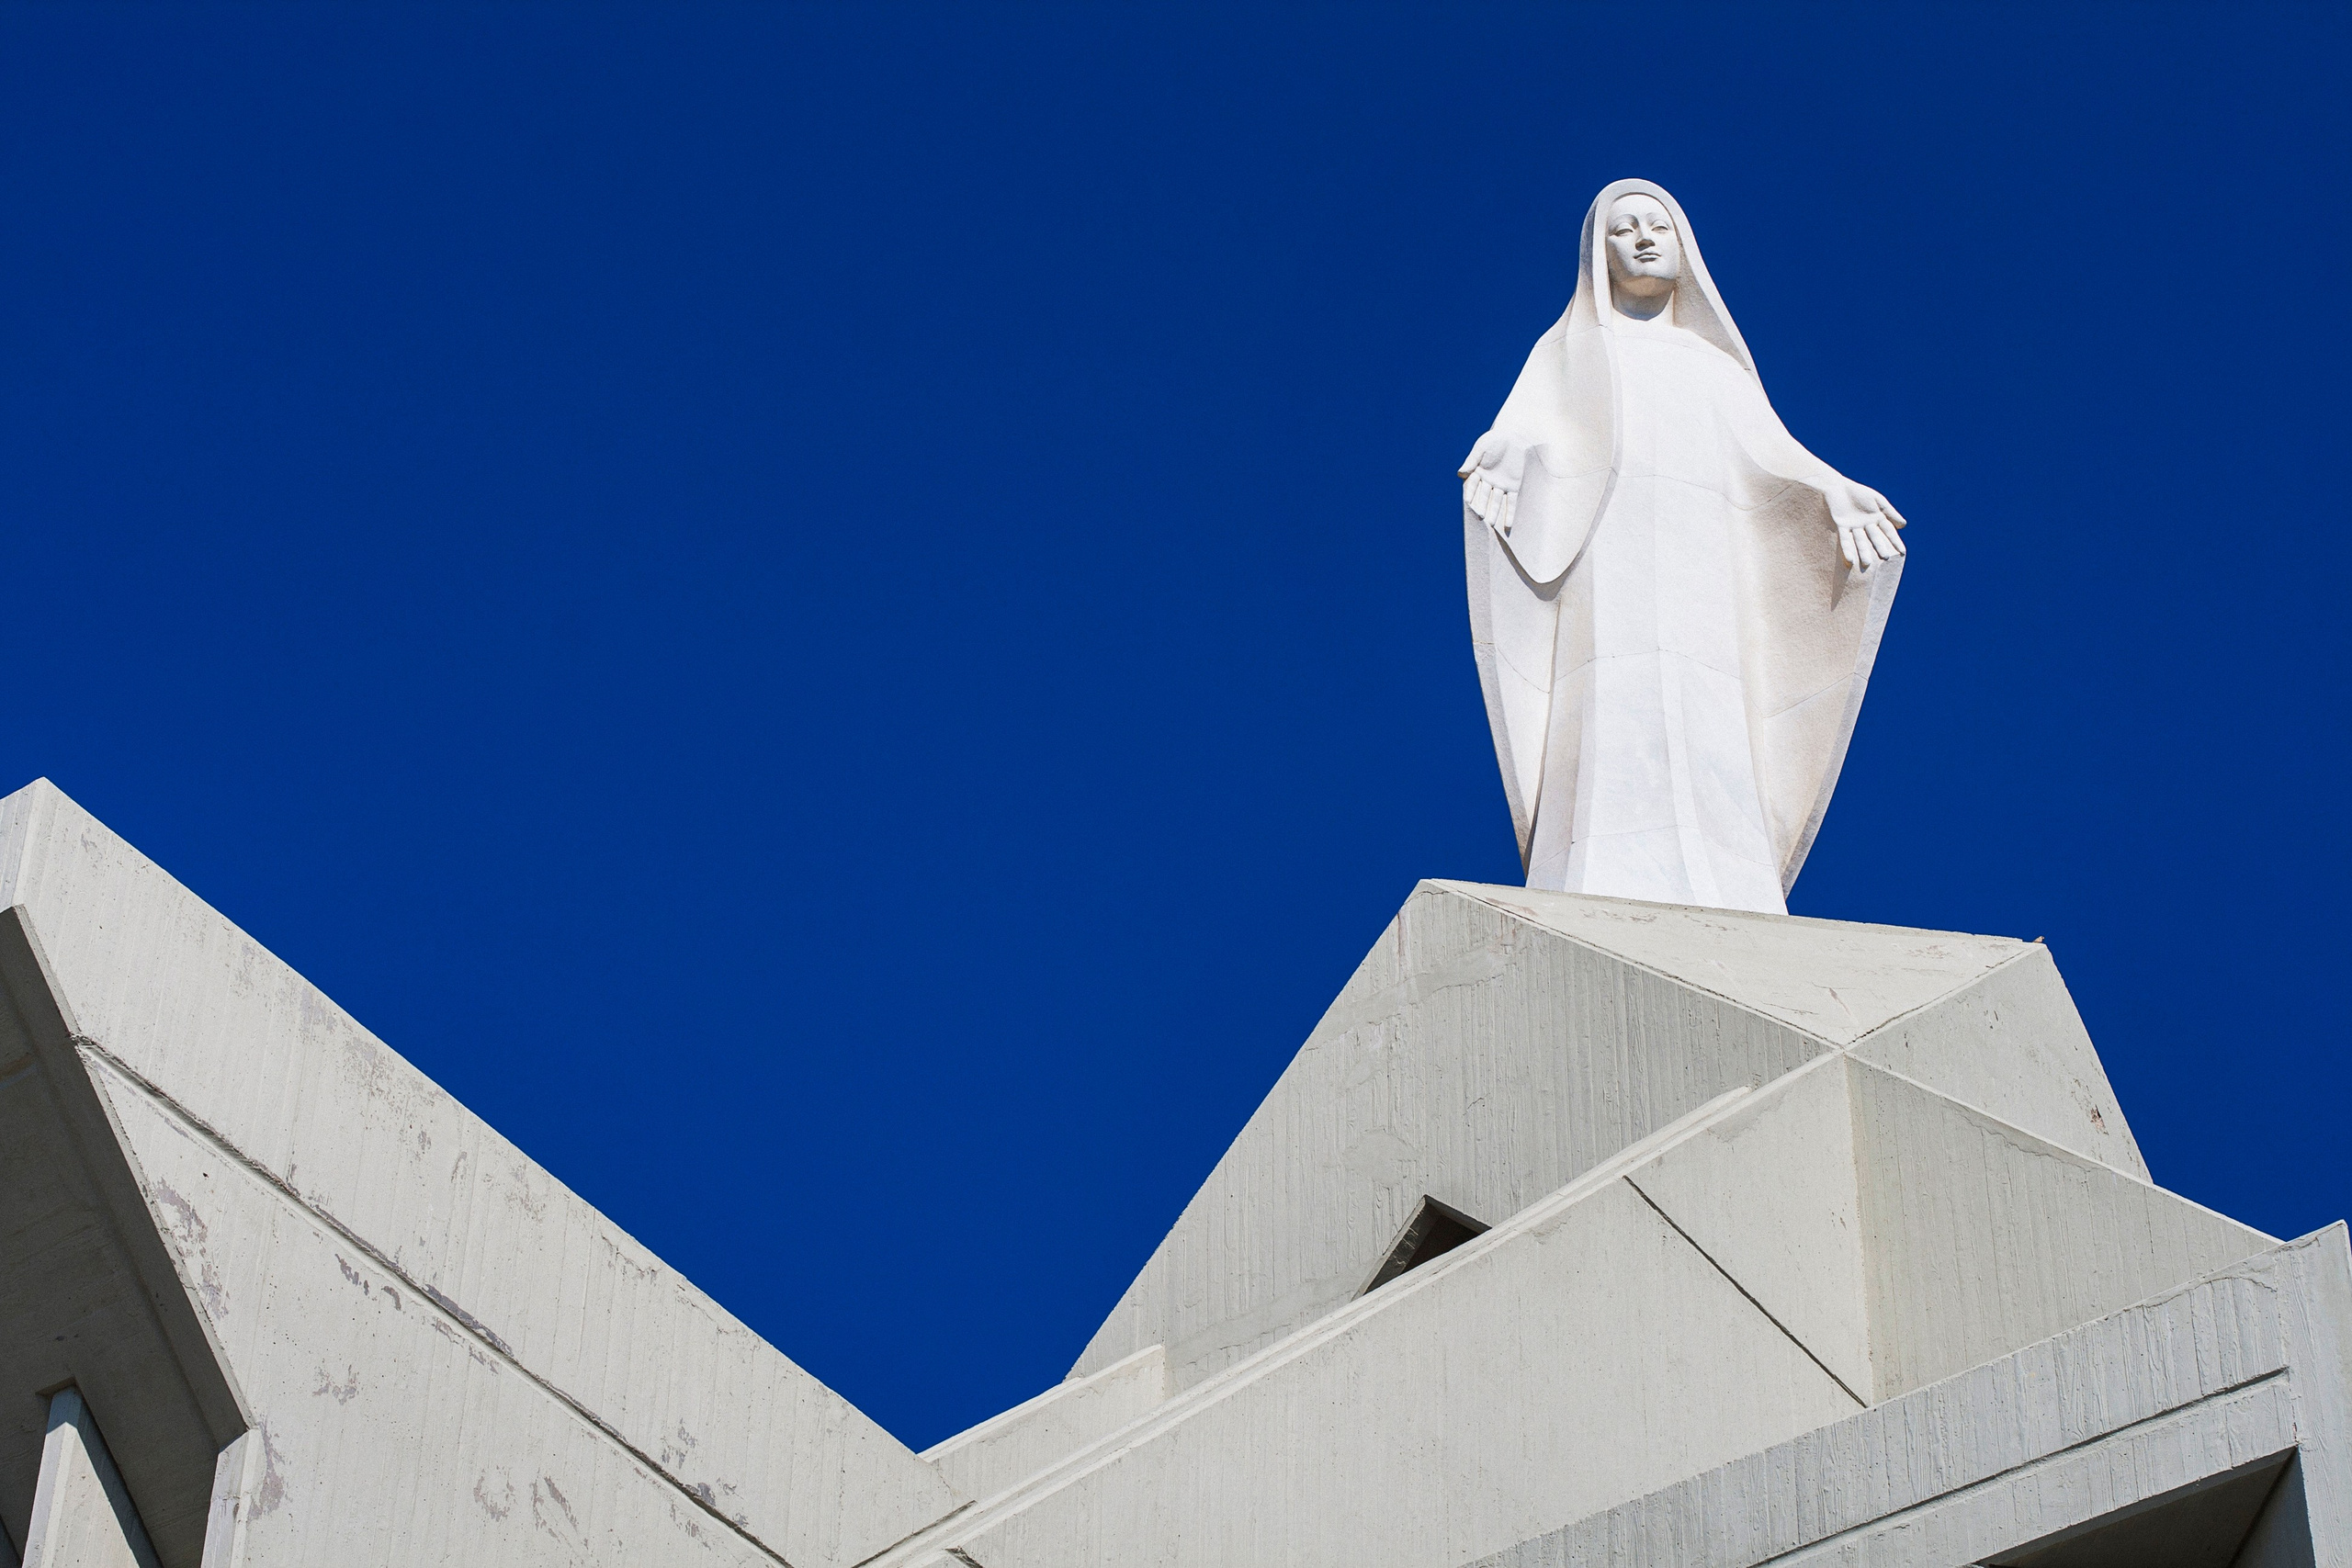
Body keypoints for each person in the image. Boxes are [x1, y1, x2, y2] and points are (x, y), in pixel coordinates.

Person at [1461, 180, 1905, 913]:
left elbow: (1774, 457)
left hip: (1706, 581)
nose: (1641, 238)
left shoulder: (1714, 366)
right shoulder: (1572, 350)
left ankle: (1738, 886)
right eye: (1622, 228)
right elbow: (1526, 427)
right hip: (1604, 566)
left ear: (1684, 247)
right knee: (1608, 712)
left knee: (1713, 718)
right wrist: (1506, 450)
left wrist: (1833, 489)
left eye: (1657, 226)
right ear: (1596, 255)